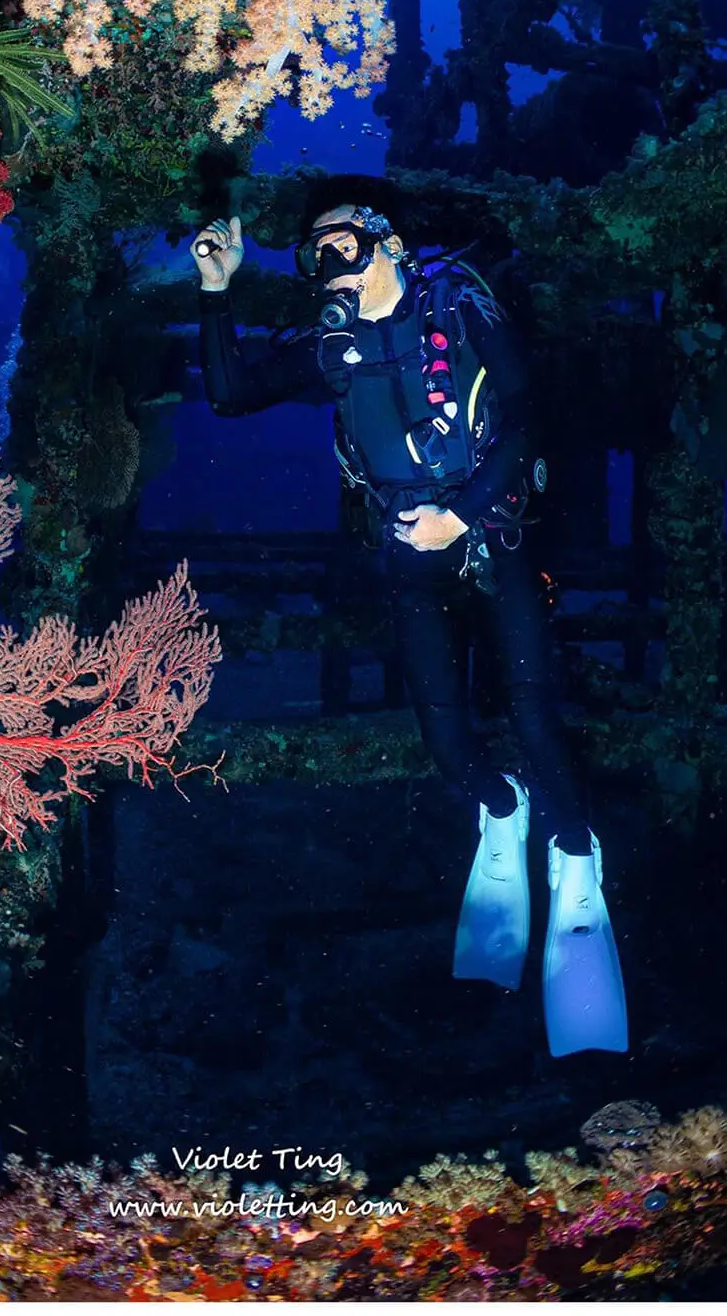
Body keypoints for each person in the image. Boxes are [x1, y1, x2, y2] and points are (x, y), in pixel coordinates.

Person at [191, 176, 627, 1057]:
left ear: (387, 241)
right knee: (445, 741)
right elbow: (231, 394)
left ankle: (576, 860)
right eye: (314, 257)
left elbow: (525, 420)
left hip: (494, 536)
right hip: (407, 559)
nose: (329, 268)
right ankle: (499, 811)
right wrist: (215, 288)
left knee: (535, 719)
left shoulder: (459, 306)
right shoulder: (331, 345)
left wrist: (458, 515)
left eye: (342, 247)